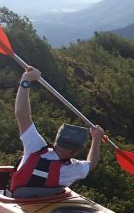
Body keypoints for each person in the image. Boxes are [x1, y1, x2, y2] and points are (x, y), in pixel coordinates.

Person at [8, 67, 106, 198]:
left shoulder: (36, 147)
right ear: (76, 152)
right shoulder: (73, 169)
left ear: (56, 141)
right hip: (43, 207)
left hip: (15, 200)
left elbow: (21, 114)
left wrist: (26, 80)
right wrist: (96, 139)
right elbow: (92, 164)